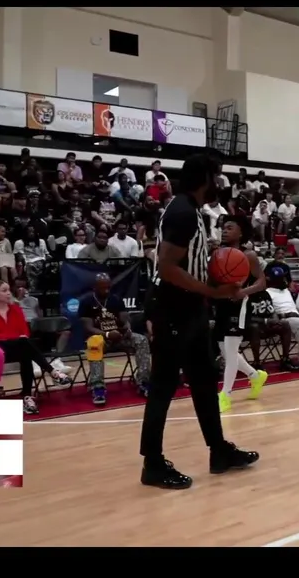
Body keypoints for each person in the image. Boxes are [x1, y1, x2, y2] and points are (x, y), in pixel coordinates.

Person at [140, 154, 257, 491]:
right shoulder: (182, 211)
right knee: (163, 386)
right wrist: (212, 291)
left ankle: (218, 450)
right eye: (216, 176)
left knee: (204, 381)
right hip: (172, 307)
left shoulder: (191, 210)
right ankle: (152, 464)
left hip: (189, 307)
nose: (219, 183)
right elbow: (167, 268)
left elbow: (184, 262)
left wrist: (214, 271)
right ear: (205, 177)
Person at [0, 280, 71, 414]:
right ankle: (52, 372)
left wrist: (15, 337)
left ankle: (27, 396)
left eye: (9, 290)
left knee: (25, 351)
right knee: (24, 345)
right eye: (4, 291)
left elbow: (24, 331)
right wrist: (14, 337)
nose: (8, 293)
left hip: (19, 346)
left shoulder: (16, 310)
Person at [211, 216, 271, 413]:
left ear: (241, 232)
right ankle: (255, 376)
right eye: (223, 228)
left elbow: (262, 282)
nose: (225, 231)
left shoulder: (249, 255)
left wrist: (243, 292)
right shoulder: (218, 253)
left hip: (239, 307)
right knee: (226, 351)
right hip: (221, 305)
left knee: (230, 352)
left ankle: (225, 395)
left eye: (230, 228)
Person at [79, 272, 151, 406]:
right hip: (100, 338)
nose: (106, 290)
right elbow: (88, 327)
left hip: (118, 336)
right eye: (103, 288)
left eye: (108, 287)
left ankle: (143, 382)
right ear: (94, 287)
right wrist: (106, 334)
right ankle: (98, 387)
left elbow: (125, 319)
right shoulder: (86, 301)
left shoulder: (115, 299)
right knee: (95, 343)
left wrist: (127, 328)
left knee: (141, 340)